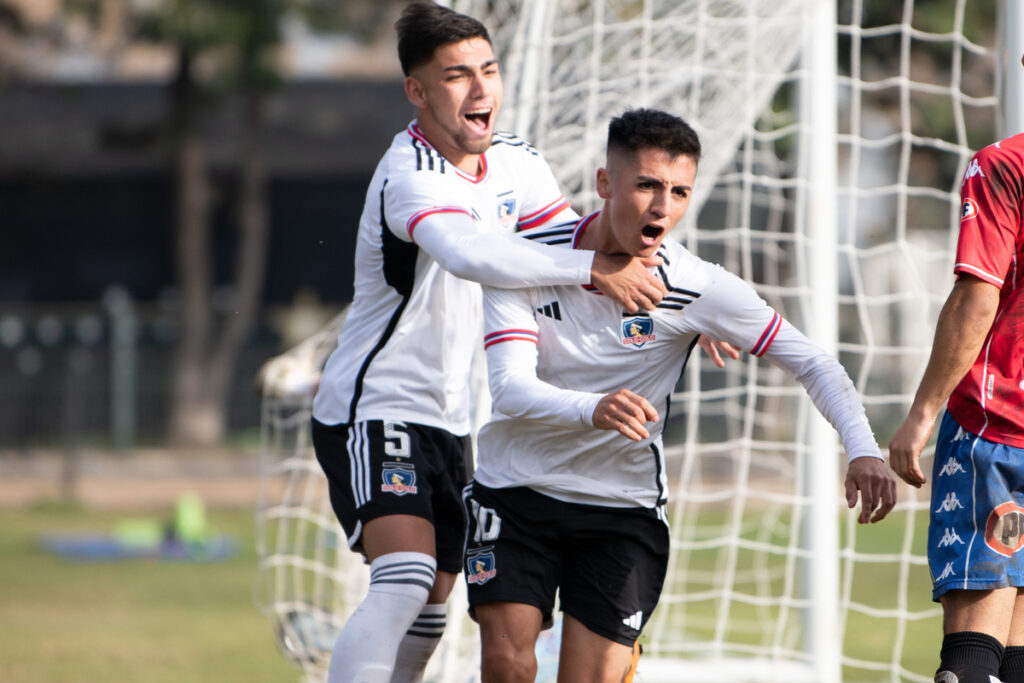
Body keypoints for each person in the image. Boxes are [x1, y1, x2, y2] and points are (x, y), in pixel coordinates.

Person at [308, 3, 684, 681]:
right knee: (406, 574)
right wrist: (591, 268)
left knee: (433, 599)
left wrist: (684, 309)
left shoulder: (517, 163)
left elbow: (579, 243)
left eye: (488, 69)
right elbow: (476, 255)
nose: (481, 89)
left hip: (457, 417)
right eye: (456, 76)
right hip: (375, 405)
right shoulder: (410, 175)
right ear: (417, 92)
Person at [464, 108, 898, 682]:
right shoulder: (525, 260)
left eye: (678, 191)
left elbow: (813, 361)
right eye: (645, 184)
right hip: (515, 491)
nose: (662, 206)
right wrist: (593, 408)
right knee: (506, 662)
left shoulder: (695, 284)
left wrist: (863, 447)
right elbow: (511, 390)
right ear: (604, 184)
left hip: (620, 507)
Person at [888, 57, 1024, 683]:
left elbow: (978, 296)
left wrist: (923, 412)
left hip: (996, 432)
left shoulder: (1004, 163)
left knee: (972, 661)